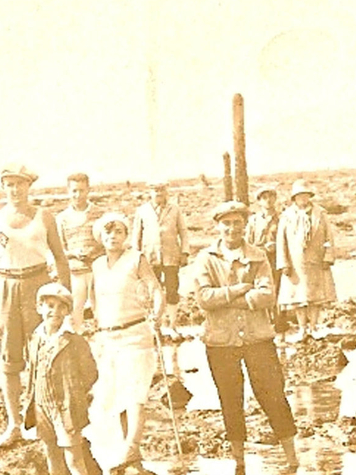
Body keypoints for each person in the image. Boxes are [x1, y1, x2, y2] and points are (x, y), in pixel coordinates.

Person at [0, 163, 72, 448]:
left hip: (39, 285)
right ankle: (14, 424)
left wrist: (65, 297)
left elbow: (60, 258)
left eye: (20, 184)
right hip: (5, 288)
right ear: (3, 187)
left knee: (46, 354)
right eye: (9, 184)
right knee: (9, 361)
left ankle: (47, 422)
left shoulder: (44, 216)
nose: (15, 189)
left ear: (29, 186)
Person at [191, 201, 299, 474]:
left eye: (237, 223)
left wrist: (225, 298)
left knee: (273, 394)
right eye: (226, 223)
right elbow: (204, 299)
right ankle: (239, 463)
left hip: (257, 338)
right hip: (220, 340)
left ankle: (291, 460)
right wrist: (239, 289)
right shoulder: (206, 258)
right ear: (218, 226)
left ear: (245, 225)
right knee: (230, 398)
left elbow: (267, 296)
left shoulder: (259, 256)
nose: (232, 229)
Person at [87, 212, 163, 474]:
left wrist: (158, 316)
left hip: (136, 333)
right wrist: (98, 325)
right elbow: (94, 298)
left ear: (125, 235)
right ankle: (133, 458)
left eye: (118, 231)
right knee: (117, 395)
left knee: (135, 395)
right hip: (108, 337)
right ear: (101, 237)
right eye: (108, 232)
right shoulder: (97, 265)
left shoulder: (136, 259)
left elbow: (155, 289)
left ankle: (131, 447)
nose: (113, 237)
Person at [23, 283, 101, 475]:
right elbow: (31, 369)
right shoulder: (35, 338)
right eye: (50, 306)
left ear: (67, 311)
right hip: (42, 406)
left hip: (66, 408)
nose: (55, 312)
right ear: (39, 307)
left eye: (61, 307)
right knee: (52, 454)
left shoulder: (73, 341)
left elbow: (90, 373)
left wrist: (74, 394)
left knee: (73, 458)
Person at [275, 180, 334, 343]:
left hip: (316, 260)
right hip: (295, 263)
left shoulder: (320, 214)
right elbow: (281, 241)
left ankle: (314, 327)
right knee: (298, 296)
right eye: (300, 195)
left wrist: (328, 256)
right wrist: (283, 263)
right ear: (294, 197)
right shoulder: (286, 216)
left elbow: (329, 237)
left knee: (315, 296)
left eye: (306, 195)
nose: (303, 198)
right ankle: (302, 328)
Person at [130, 181, 190, 338]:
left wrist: (185, 252)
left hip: (171, 256)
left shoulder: (175, 209)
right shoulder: (142, 211)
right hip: (150, 257)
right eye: (155, 190)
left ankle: (173, 325)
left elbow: (183, 232)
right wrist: (135, 257)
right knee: (151, 291)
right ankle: (155, 327)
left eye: (162, 190)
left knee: (172, 289)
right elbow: (136, 235)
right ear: (150, 192)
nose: (159, 193)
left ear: (166, 191)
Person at [56, 173, 103, 330]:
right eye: (74, 191)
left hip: (98, 270)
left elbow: (108, 242)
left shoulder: (99, 214)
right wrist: (74, 253)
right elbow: (59, 249)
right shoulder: (62, 218)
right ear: (68, 191)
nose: (78, 195)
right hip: (75, 273)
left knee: (102, 311)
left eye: (82, 190)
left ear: (88, 190)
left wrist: (94, 252)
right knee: (75, 313)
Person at [243, 185, 282, 293]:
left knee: (277, 288)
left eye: (271, 196)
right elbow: (247, 242)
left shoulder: (282, 218)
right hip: (258, 258)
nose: (268, 200)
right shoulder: (254, 220)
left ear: (275, 199)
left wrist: (276, 246)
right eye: (264, 198)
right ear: (259, 202)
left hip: (277, 259)